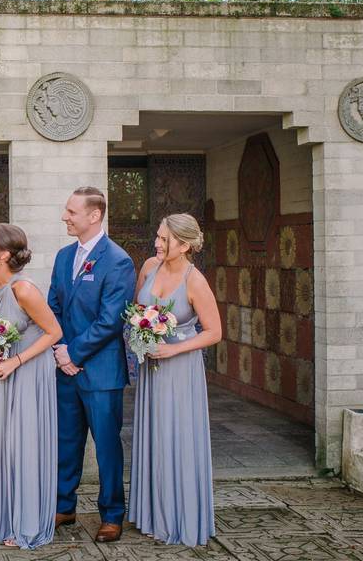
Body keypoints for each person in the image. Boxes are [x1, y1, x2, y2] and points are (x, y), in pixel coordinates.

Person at [47, 186, 135, 543]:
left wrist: (74, 353)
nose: (65, 217)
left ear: (94, 215)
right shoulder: (63, 257)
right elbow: (52, 307)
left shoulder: (118, 260)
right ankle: (63, 505)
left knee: (107, 446)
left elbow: (111, 320)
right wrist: (59, 349)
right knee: (65, 442)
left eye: (71, 211)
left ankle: (112, 514)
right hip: (64, 368)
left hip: (101, 373)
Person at [129, 214, 220, 546]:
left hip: (181, 370)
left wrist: (175, 349)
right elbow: (138, 311)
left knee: (176, 437)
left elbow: (214, 332)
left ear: (184, 244)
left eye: (164, 239)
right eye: (158, 236)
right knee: (154, 435)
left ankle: (179, 516)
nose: (157, 243)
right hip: (152, 369)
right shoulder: (149, 267)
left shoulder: (195, 280)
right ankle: (152, 513)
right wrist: (141, 333)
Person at [0, 224, 64, 549]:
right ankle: (5, 518)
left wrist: (16, 361)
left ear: (3, 253)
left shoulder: (24, 289)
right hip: (6, 371)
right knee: (7, 444)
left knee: (25, 443)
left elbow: (53, 332)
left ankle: (29, 524)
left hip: (29, 370)